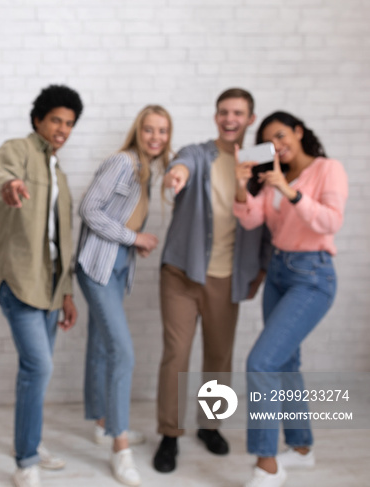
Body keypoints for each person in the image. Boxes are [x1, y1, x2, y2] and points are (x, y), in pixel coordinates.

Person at [153, 88, 271, 473]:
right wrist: (176, 175)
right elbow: (182, 164)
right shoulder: (199, 153)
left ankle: (210, 426)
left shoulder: (260, 164)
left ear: (250, 119)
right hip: (182, 272)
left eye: (238, 112)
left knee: (218, 358)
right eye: (223, 111)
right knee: (177, 354)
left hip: (227, 278)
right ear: (216, 116)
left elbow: (270, 219)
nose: (229, 118)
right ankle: (169, 434)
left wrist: (263, 269)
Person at [234, 112, 348, 487]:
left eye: (281, 135)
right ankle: (301, 449)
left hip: (312, 276)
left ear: (299, 132)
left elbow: (330, 222)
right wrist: (242, 187)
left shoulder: (326, 170)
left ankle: (267, 464)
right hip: (280, 272)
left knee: (261, 362)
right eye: (270, 142)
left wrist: (288, 189)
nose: (278, 146)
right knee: (284, 363)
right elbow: (251, 219)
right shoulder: (272, 178)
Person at [0, 84, 82, 487]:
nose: (62, 128)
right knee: (38, 366)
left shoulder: (60, 173)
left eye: (70, 123)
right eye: (56, 119)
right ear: (38, 119)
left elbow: (63, 238)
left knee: (36, 371)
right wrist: (8, 186)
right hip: (19, 279)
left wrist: (68, 291)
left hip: (53, 287)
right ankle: (26, 460)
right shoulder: (17, 150)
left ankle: (32, 446)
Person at [76, 105, 172, 485]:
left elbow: (120, 218)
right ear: (138, 131)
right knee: (123, 352)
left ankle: (103, 422)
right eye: (149, 129)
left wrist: (134, 244)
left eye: (162, 131)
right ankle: (120, 445)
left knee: (102, 346)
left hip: (117, 267)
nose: (155, 137)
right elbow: (88, 209)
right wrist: (135, 238)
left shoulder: (147, 172)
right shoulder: (123, 162)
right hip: (96, 267)